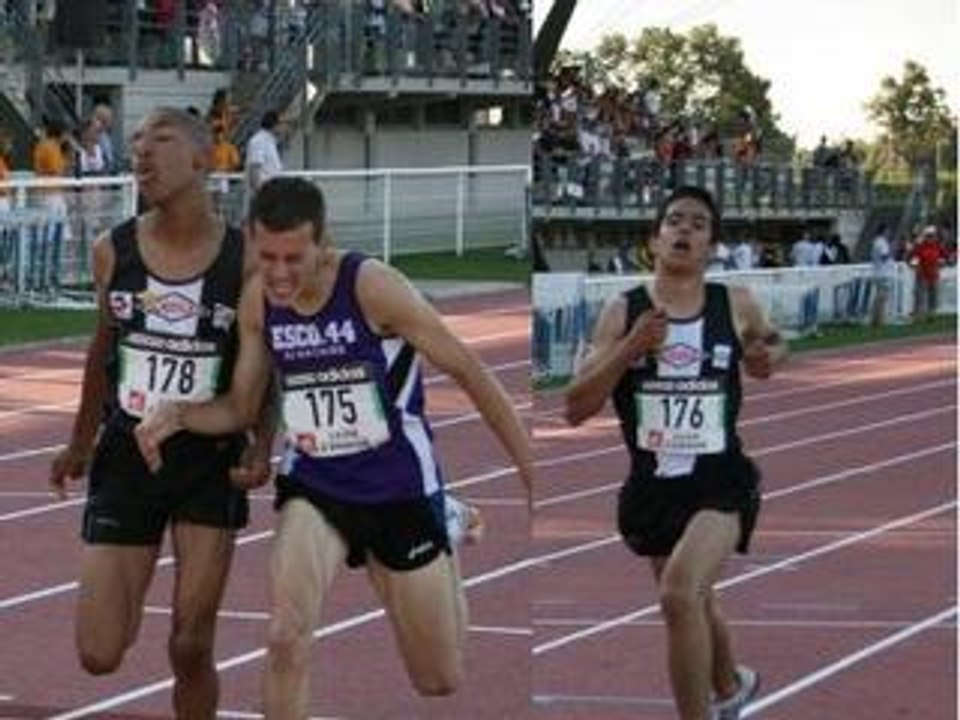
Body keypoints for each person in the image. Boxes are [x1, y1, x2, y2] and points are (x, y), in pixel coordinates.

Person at [135, 176, 534, 717]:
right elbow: (241, 407)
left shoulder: (373, 286)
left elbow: (470, 372)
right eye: (266, 255)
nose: (278, 273)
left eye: (293, 258)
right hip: (315, 484)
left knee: (438, 677)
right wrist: (176, 414)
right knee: (285, 633)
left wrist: (532, 472)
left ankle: (445, 521)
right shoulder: (259, 300)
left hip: (399, 487)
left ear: (323, 243)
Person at [48, 107, 272, 718]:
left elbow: (266, 364)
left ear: (203, 159)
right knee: (98, 653)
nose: (143, 154)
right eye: (137, 144)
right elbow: (102, 350)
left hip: (209, 459)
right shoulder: (110, 250)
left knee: (191, 644)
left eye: (162, 142)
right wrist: (80, 441)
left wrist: (262, 444)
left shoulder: (246, 259)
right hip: (127, 451)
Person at [563, 186, 786, 720]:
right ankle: (732, 686)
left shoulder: (734, 302)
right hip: (653, 486)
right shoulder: (623, 312)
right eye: (674, 221)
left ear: (711, 246)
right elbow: (575, 406)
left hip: (721, 480)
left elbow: (773, 342)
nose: (684, 230)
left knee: (679, 594)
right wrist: (631, 348)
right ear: (654, 239)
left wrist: (767, 355)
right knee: (698, 601)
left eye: (699, 224)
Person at [907, 224, 945, 321]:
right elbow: (911, 258)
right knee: (920, 296)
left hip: (934, 274)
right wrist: (914, 265)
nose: (931, 238)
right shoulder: (920, 246)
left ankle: (931, 315)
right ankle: (917, 316)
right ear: (926, 236)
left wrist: (942, 262)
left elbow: (944, 257)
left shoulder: (937, 246)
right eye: (929, 235)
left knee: (933, 296)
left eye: (932, 235)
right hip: (922, 275)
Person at [244, 109, 283, 194]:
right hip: (264, 190)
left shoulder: (270, 140)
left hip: (272, 189)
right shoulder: (259, 141)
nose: (282, 127)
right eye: (281, 124)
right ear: (275, 125)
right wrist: (259, 191)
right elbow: (254, 167)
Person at [869, 223, 894, 328]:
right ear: (884, 231)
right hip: (883, 273)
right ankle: (879, 320)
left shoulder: (877, 242)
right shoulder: (881, 242)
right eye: (888, 230)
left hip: (879, 272)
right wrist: (892, 249)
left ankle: (876, 319)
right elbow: (884, 256)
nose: (889, 233)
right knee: (881, 297)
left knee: (879, 297)